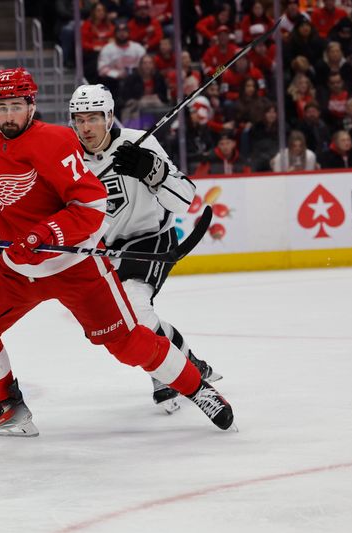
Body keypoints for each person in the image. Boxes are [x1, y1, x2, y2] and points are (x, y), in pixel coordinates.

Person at [0, 69, 234, 437]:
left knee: (129, 342)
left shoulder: (55, 141)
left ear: (32, 106)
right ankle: (7, 405)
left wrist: (46, 233)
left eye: (16, 106)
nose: (8, 116)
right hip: (19, 267)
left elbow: (91, 203)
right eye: (0, 107)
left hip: (74, 263)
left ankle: (199, 387)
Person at [69, 83, 223, 413]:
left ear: (109, 117)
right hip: (103, 252)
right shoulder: (68, 157)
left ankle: (168, 372)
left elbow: (184, 198)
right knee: (111, 326)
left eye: (93, 117)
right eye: (79, 119)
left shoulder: (138, 142)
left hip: (148, 241)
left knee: (136, 312)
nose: (85, 127)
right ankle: (188, 361)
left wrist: (152, 171)